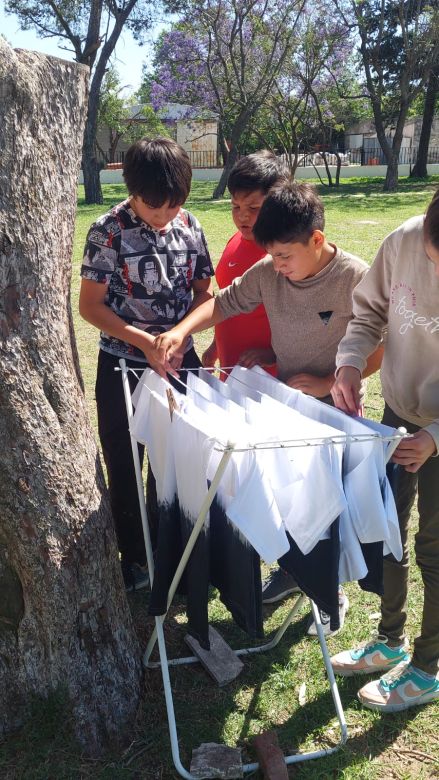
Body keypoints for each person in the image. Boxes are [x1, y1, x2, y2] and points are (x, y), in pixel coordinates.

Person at [152, 180, 383, 634]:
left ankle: (327, 589)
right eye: (271, 257)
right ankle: (291, 572)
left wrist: (328, 379)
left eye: (284, 257)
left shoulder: (355, 277)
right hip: (287, 405)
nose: (277, 267)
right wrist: (181, 333)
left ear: (317, 240)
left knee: (325, 504)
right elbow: (223, 304)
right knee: (285, 497)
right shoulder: (268, 271)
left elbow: (377, 347)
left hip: (333, 411)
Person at [79, 137, 214, 591]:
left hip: (180, 361)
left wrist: (179, 336)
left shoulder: (190, 224)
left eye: (175, 207)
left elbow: (205, 295)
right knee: (125, 458)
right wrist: (143, 341)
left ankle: (173, 548)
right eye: (156, 209)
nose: (165, 218)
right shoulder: (107, 230)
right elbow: (91, 306)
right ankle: (135, 558)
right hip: (122, 364)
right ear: (131, 189)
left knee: (179, 458)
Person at [329, 189, 439, 711]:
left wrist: (436, 437)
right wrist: (350, 361)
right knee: (388, 527)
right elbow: (368, 311)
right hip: (399, 411)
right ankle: (390, 638)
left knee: (434, 550)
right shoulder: (404, 241)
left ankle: (426, 668)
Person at [201, 150, 289, 375]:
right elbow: (227, 302)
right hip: (232, 373)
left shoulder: (285, 256)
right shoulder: (235, 240)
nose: (242, 217)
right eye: (235, 207)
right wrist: (215, 347)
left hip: (270, 380)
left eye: (253, 208)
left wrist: (272, 353)